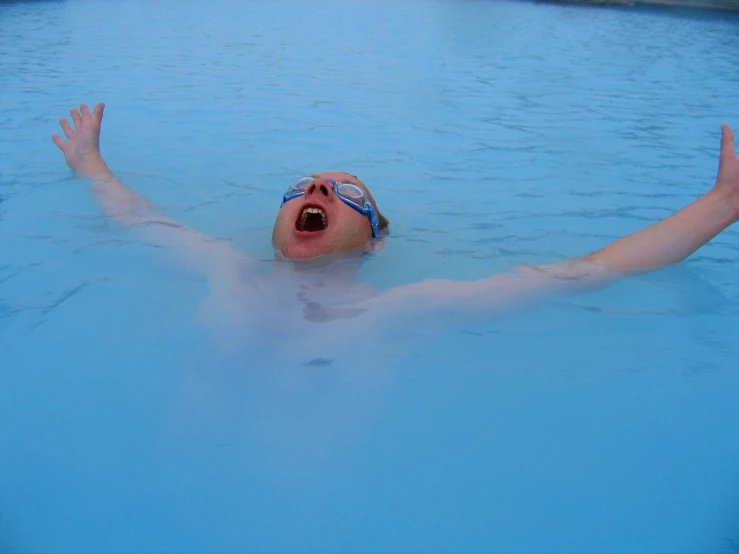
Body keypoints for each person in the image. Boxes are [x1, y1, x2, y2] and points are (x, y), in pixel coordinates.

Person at [52, 103, 739, 324]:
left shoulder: (398, 311)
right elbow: (137, 217)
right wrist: (90, 166)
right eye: (306, 184)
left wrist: (720, 206)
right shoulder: (223, 269)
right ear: (280, 220)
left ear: (373, 241)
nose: (318, 188)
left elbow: (582, 274)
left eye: (347, 193)